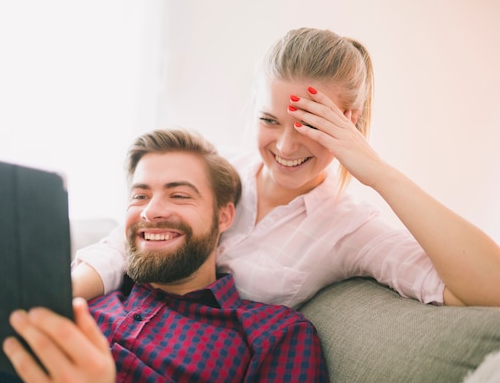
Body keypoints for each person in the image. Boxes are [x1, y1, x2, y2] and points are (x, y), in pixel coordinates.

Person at [69, 27, 500, 309]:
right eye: (268, 120)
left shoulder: (350, 229)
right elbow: (122, 244)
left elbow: (489, 287)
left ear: (350, 122)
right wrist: (61, 294)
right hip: (123, 322)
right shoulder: (218, 169)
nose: (285, 145)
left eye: (310, 125)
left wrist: (377, 172)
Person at [0, 128, 329, 383]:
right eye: (140, 196)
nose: (152, 211)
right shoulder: (80, 293)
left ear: (225, 215)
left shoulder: (274, 335)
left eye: (179, 194)